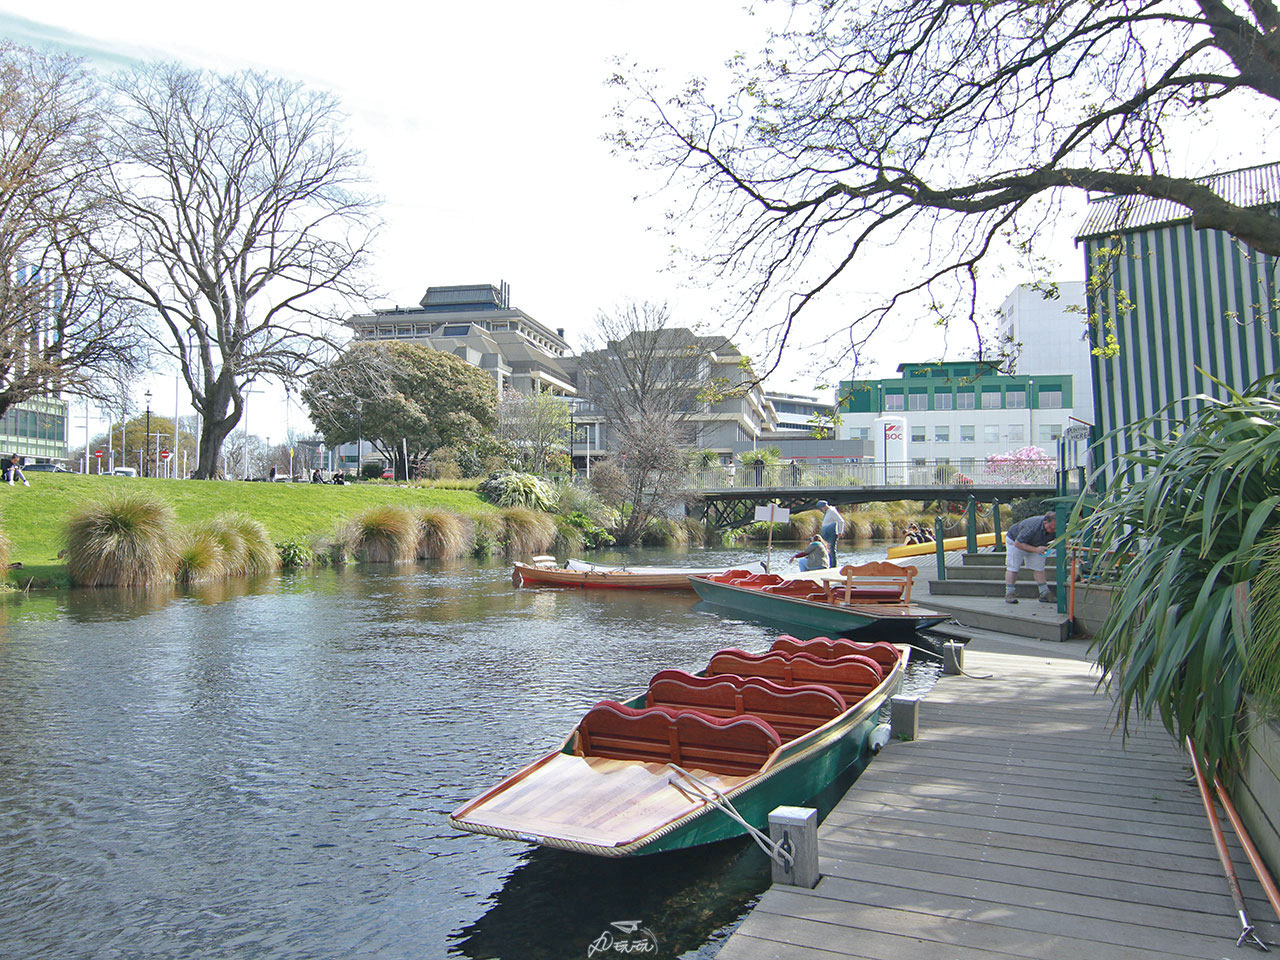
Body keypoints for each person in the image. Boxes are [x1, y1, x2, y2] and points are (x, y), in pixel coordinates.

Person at [1004, 511, 1058, 604]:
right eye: (1051, 528)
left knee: (1039, 567)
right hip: (1015, 542)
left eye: (1055, 529)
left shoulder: (1056, 528)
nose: (1053, 530)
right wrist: (1036, 549)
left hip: (1037, 543)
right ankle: (1009, 593)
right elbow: (1018, 543)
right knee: (1013, 566)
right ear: (1045, 522)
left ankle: (1044, 593)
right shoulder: (1032, 526)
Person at [818, 500, 846, 566]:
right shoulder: (828, 512)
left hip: (831, 533)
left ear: (824, 507)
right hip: (827, 533)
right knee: (827, 550)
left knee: (831, 550)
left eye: (821, 509)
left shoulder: (832, 511)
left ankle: (833, 565)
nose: (820, 510)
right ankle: (829, 564)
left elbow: (841, 521)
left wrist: (840, 532)